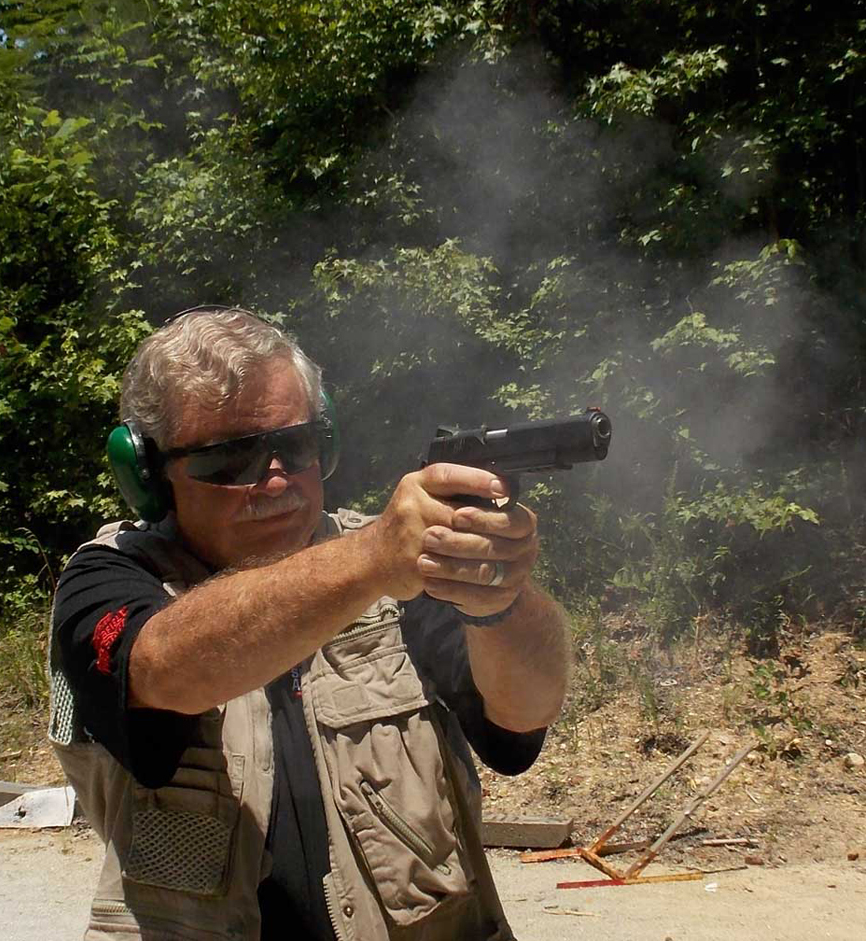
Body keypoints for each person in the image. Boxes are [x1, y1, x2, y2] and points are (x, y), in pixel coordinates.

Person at [49, 308, 569, 941]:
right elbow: (163, 667)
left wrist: (502, 598)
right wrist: (372, 559)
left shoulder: (392, 571)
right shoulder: (106, 581)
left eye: (294, 446)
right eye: (229, 461)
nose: (273, 479)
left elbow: (522, 719)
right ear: (150, 474)